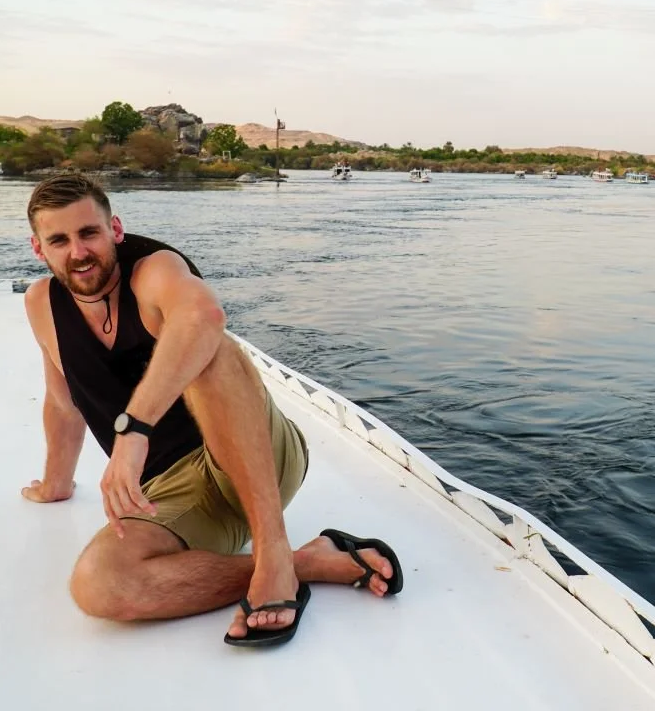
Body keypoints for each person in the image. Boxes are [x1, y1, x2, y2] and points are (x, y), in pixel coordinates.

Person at [21, 175, 402, 646]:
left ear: (114, 229)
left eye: (89, 233)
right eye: (59, 240)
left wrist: (133, 431)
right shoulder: (42, 304)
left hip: (255, 458)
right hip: (172, 493)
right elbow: (63, 403)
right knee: (99, 585)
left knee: (208, 347)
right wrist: (55, 484)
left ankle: (273, 550)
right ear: (39, 249)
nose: (78, 252)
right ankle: (304, 563)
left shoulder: (153, 270)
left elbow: (204, 317)